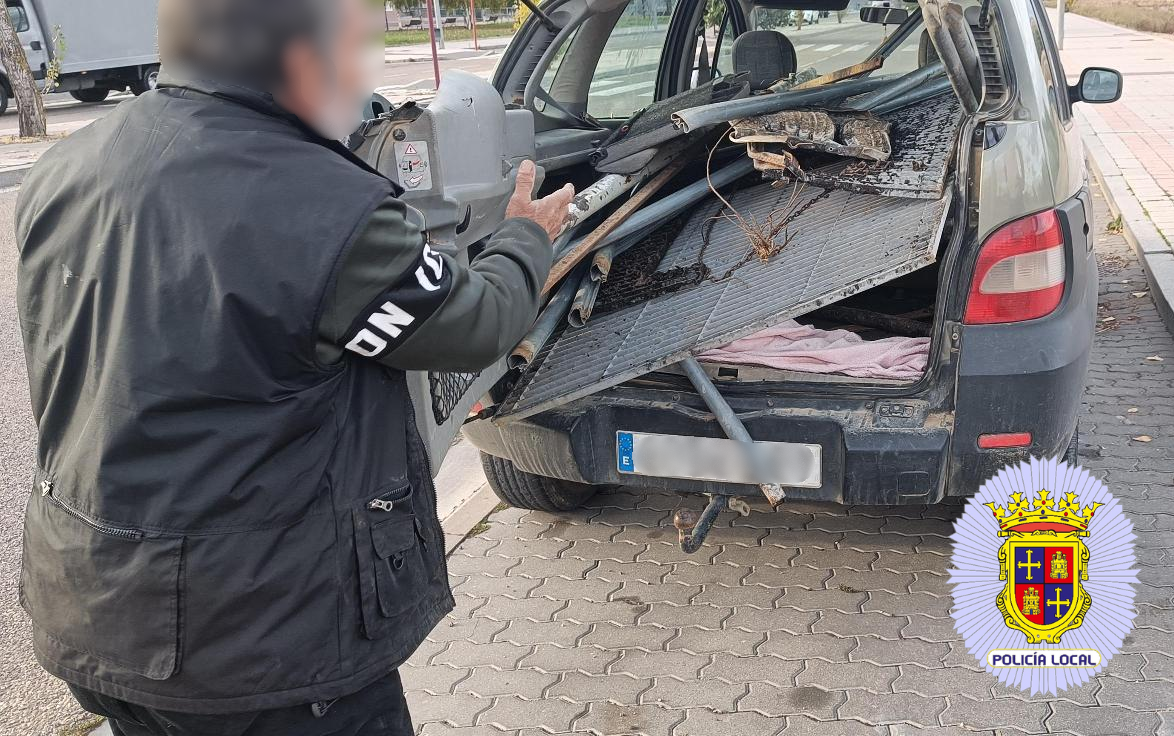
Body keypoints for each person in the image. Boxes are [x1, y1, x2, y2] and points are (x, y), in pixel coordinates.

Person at [14, 0, 573, 733]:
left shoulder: (68, 166)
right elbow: (474, 325)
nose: (359, 77)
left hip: (98, 610)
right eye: (348, 52)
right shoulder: (325, 208)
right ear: (296, 61)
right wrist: (526, 240)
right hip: (262, 647)